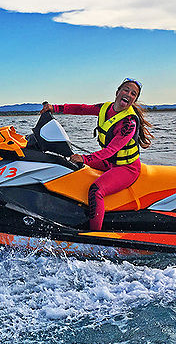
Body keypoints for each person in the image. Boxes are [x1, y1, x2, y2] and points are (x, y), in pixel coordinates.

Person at [40, 78, 154, 231]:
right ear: (117, 92)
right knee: (71, 164)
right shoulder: (105, 108)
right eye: (126, 90)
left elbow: (111, 150)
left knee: (96, 191)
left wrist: (85, 158)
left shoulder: (129, 123)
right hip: (110, 162)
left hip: (127, 168)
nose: (128, 94)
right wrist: (54, 108)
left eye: (133, 93)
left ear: (134, 100)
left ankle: (94, 233)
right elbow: (81, 109)